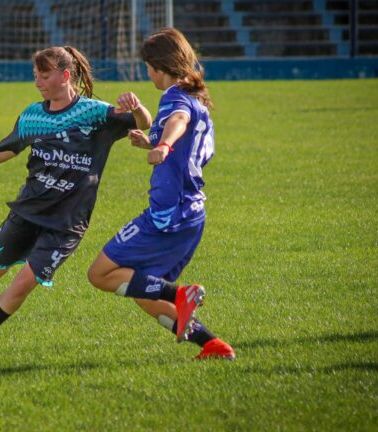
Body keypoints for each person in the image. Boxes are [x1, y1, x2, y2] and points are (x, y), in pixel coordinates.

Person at [0, 46, 151, 345]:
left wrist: (136, 106)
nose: (38, 82)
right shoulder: (32, 116)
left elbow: (144, 122)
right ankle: (13, 237)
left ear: (65, 76)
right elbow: (6, 149)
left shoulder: (95, 114)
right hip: (29, 209)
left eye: (44, 76)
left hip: (67, 223)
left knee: (23, 284)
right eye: (35, 76)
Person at [87, 28, 235, 360]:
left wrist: (164, 143)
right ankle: (213, 345)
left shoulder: (175, 98)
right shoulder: (198, 101)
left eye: (148, 67)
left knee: (100, 274)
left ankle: (181, 294)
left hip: (168, 214)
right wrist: (151, 142)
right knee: (142, 290)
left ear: (159, 66)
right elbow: (186, 140)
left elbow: (178, 121)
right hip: (192, 214)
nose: (147, 73)